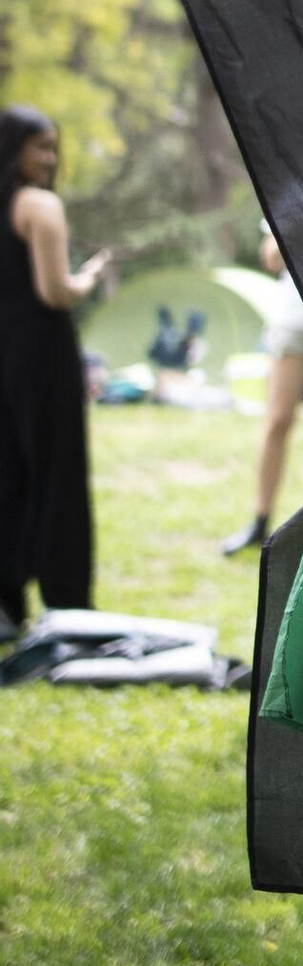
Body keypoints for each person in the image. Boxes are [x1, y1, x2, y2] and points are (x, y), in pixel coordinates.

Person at [0, 107, 111, 635]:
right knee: (57, 473)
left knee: (7, 475)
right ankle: (67, 604)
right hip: (41, 355)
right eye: (40, 146)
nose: (49, 159)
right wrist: (87, 277)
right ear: (14, 148)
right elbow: (54, 291)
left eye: (53, 148)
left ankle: (7, 606)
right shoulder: (39, 205)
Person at [220, 224, 303, 556]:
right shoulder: (293, 184)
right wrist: (298, 220)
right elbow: (271, 258)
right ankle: (259, 522)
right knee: (277, 420)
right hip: (294, 319)